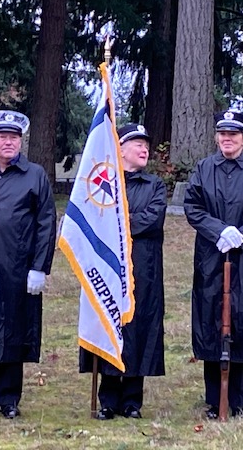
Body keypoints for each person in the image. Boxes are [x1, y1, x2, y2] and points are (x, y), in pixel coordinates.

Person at [184, 110, 243, 419]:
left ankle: (236, 401)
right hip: (212, 256)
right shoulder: (204, 168)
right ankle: (214, 400)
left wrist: (241, 234)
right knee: (212, 320)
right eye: (222, 134)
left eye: (233, 134)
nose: (227, 139)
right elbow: (193, 206)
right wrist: (218, 230)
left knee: (240, 321)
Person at [0, 110, 57, 420]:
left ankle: (9, 399)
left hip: (20, 268)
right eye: (3, 137)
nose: (9, 142)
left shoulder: (35, 175)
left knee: (15, 333)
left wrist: (40, 266)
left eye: (14, 137)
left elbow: (46, 222)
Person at [79, 123, 167, 420]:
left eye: (146, 145)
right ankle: (108, 399)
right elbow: (95, 216)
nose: (145, 149)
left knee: (137, 329)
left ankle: (132, 400)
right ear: (120, 149)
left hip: (142, 268)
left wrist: (117, 221)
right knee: (108, 325)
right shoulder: (103, 183)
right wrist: (122, 222)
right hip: (107, 267)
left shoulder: (154, 185)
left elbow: (151, 221)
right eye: (137, 144)